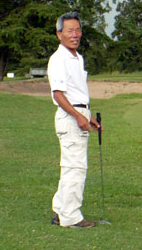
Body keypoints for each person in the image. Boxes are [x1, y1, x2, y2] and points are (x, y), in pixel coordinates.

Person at [47, 11, 101, 228]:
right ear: (59, 34)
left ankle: (60, 211)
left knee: (71, 166)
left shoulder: (77, 58)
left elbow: (76, 92)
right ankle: (70, 217)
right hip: (70, 117)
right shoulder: (59, 59)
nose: (75, 35)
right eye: (70, 30)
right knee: (75, 168)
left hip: (78, 114)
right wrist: (79, 116)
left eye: (78, 30)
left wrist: (89, 116)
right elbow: (58, 94)